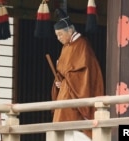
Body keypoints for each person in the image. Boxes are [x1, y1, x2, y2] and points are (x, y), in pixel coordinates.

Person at [51, 8, 104, 140]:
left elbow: (84, 72)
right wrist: (59, 80)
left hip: (76, 91)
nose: (58, 38)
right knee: (61, 127)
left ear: (70, 30)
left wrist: (66, 77)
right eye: (57, 35)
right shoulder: (66, 47)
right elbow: (62, 70)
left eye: (60, 34)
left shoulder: (82, 44)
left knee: (73, 125)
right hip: (65, 91)